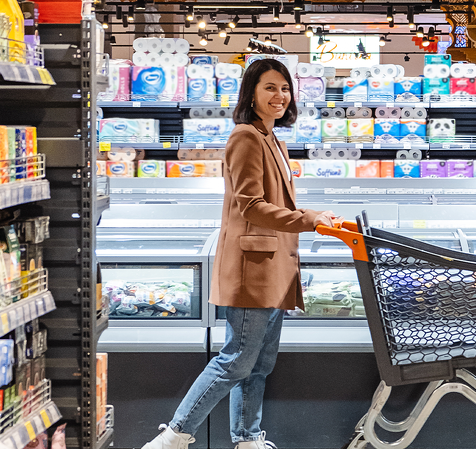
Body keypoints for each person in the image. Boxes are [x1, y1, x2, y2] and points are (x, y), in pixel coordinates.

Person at [141, 59, 338, 449]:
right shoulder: (245, 137)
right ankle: (175, 435)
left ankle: (247, 438)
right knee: (236, 361)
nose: (279, 96)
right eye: (269, 87)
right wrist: (308, 220)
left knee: (259, 365)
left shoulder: (273, 139)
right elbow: (251, 206)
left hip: (276, 266)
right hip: (254, 266)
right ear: (251, 93)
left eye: (284, 88)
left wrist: (310, 219)